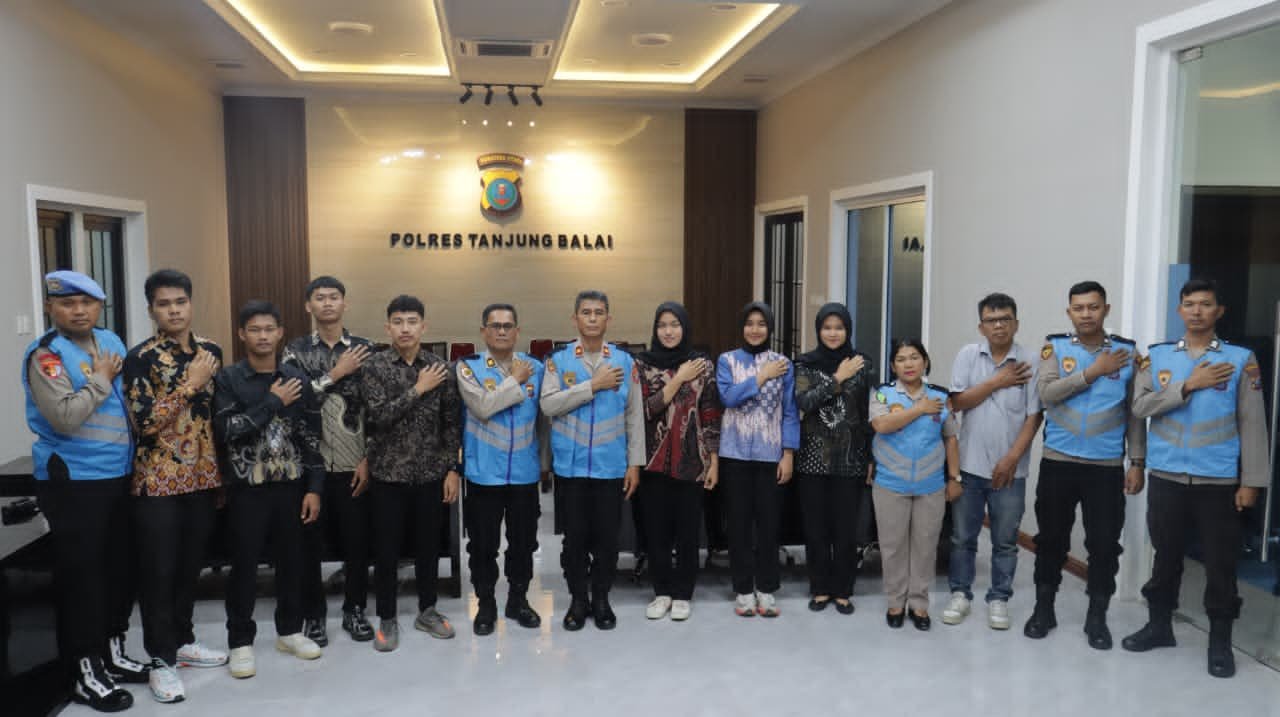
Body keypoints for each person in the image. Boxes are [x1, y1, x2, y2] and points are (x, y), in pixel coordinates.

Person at [1124, 278, 1269, 678]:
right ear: (1180, 310)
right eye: (1189, 304)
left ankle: (1219, 641)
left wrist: (1252, 481)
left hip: (1218, 481)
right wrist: (1188, 385)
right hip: (1167, 476)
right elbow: (1139, 407)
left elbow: (1253, 424)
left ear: (1219, 311)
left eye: (1205, 304)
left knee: (1221, 564)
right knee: (1165, 556)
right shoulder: (1157, 357)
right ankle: (1159, 626)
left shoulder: (1240, 360)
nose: (1197, 311)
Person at [21, 270, 148, 712]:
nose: (78, 311)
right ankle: (84, 672)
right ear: (51, 307)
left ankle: (112, 653)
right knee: (84, 580)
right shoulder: (47, 356)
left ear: (99, 306)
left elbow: (128, 406)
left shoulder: (110, 340)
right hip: (74, 481)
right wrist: (101, 378)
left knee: (118, 572)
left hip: (118, 475)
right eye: (67, 303)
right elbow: (65, 417)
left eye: (87, 303)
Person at [123, 269, 227, 703]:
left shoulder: (211, 351)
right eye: (164, 304)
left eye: (180, 301)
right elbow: (144, 423)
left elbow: (216, 416)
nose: (174, 310)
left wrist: (223, 476)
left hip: (202, 479)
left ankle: (183, 641)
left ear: (191, 303)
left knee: (189, 568)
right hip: (158, 482)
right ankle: (160, 660)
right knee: (159, 573)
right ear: (152, 310)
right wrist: (189, 385)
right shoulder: (140, 358)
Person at [1026, 281, 1144, 648]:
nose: (1086, 314)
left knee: (1104, 544)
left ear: (1106, 309)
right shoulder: (1055, 348)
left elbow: (1135, 413)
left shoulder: (1127, 353)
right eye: (1079, 308)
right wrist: (1093, 371)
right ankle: (1043, 609)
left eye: (1093, 307)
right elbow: (1047, 394)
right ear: (1069, 312)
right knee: (1050, 539)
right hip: (1058, 462)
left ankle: (1097, 617)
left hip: (1105, 467)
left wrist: (1137, 461)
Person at [213, 300, 324, 679]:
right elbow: (227, 431)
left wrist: (315, 488)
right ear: (242, 334)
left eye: (269, 329)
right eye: (254, 330)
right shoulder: (229, 379)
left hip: (291, 487)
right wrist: (274, 402)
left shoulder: (297, 379)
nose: (262, 336)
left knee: (293, 562)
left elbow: (312, 438)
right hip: (248, 490)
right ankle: (240, 641)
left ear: (280, 333)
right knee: (244, 566)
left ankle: (289, 631)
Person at [360, 295, 462, 651]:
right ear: (388, 327)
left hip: (430, 474)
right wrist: (418, 389)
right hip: (387, 474)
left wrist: (452, 469)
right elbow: (378, 417)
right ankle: (387, 616)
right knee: (386, 549)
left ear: (424, 326)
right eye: (398, 322)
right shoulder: (374, 367)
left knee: (428, 548)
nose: (405, 328)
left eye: (412, 321)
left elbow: (451, 424)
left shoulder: (441, 368)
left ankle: (427, 610)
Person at [540, 290, 644, 631]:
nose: (593, 318)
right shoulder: (558, 361)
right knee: (574, 540)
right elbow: (548, 405)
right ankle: (577, 600)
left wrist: (634, 463)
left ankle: (600, 598)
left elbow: (634, 417)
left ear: (608, 319)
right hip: (571, 469)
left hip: (610, 467)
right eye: (586, 312)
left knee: (607, 539)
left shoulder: (625, 362)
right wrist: (592, 386)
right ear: (575, 319)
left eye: (599, 312)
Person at [282, 276, 375, 646]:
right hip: (311, 466)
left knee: (357, 545)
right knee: (309, 547)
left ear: (344, 303)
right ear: (309, 306)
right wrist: (337, 373)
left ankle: (355, 610)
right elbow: (296, 400)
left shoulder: (366, 349)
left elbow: (376, 409)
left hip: (356, 464)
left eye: (334, 297)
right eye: (319, 298)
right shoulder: (295, 351)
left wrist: (369, 457)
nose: (327, 303)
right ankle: (314, 616)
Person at [942, 293, 1042, 631]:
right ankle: (960, 593)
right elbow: (957, 402)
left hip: (1011, 471)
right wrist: (998, 381)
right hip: (969, 466)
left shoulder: (1030, 361)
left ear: (1016, 323)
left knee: (1005, 540)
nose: (999, 325)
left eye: (1005, 319)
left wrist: (1012, 458)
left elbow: (1034, 416)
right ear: (981, 326)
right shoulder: (968, 356)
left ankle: (999, 597)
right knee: (962, 537)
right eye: (991, 320)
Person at [456, 303, 545, 635]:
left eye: (508, 326)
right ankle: (486, 603)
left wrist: (544, 464)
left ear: (517, 331)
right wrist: (515, 381)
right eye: (495, 326)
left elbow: (546, 420)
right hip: (484, 474)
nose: (502, 331)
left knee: (523, 543)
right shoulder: (468, 368)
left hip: (524, 473)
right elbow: (482, 407)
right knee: (483, 545)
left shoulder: (537, 368)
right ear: (483, 332)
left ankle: (518, 600)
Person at [635, 301, 722, 622]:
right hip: (652, 462)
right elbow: (645, 410)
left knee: (688, 532)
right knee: (656, 531)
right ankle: (661, 592)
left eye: (675, 324)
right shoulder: (642, 365)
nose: (669, 331)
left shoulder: (702, 365)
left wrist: (714, 460)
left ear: (685, 328)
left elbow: (711, 413)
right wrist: (677, 379)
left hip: (692, 461)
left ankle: (684, 593)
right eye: (662, 325)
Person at [869, 339, 961, 631]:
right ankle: (896, 602)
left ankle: (919, 604)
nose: (908, 364)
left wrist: (954, 477)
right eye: (901, 359)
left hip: (930, 484)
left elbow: (950, 438)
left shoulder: (940, 396)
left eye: (914, 357)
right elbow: (882, 425)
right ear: (893, 366)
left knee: (925, 546)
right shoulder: (882, 394)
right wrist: (919, 409)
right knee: (892, 546)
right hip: (890, 484)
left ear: (925, 361)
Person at [716, 302, 799, 618]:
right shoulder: (726, 361)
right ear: (742, 327)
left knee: (769, 525)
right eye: (749, 323)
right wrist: (761, 376)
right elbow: (728, 397)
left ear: (770, 328)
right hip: (734, 454)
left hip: (770, 455)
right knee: (738, 525)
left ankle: (766, 588)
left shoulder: (784, 364)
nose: (755, 329)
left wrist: (788, 453)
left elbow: (790, 411)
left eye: (761, 323)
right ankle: (742, 590)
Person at [793, 303, 872, 615]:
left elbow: (867, 412)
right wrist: (838, 377)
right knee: (816, 528)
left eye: (839, 327)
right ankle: (820, 587)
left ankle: (843, 589)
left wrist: (870, 456)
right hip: (812, 459)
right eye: (827, 327)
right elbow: (805, 401)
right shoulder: (805, 364)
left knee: (845, 529)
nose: (833, 333)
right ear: (818, 330)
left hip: (851, 459)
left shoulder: (862, 363)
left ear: (847, 330)